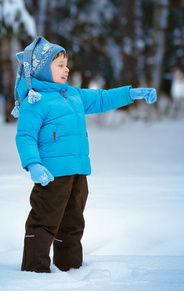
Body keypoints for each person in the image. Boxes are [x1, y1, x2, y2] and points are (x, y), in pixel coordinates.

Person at [12, 36, 157, 273]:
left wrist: (131, 93)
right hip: (51, 175)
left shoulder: (74, 95)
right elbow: (25, 136)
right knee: (44, 221)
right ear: (42, 70)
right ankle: (34, 269)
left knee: (73, 223)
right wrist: (33, 164)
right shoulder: (35, 101)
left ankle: (70, 267)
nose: (66, 69)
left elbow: (103, 98)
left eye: (66, 63)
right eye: (60, 65)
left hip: (78, 173)